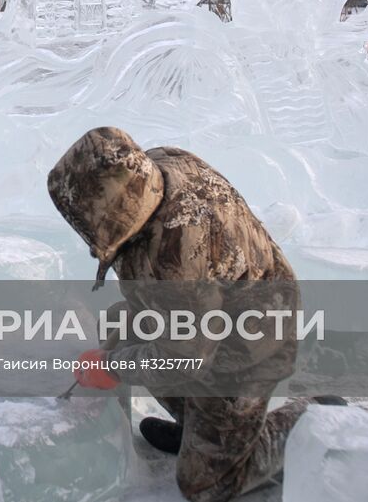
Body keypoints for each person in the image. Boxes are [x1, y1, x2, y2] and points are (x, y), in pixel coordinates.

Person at [48, 127, 316, 502]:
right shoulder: (150, 171)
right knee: (120, 327)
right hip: (211, 315)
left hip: (252, 341)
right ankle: (203, 430)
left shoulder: (174, 257)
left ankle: (303, 422)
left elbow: (185, 357)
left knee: (204, 485)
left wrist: (110, 368)